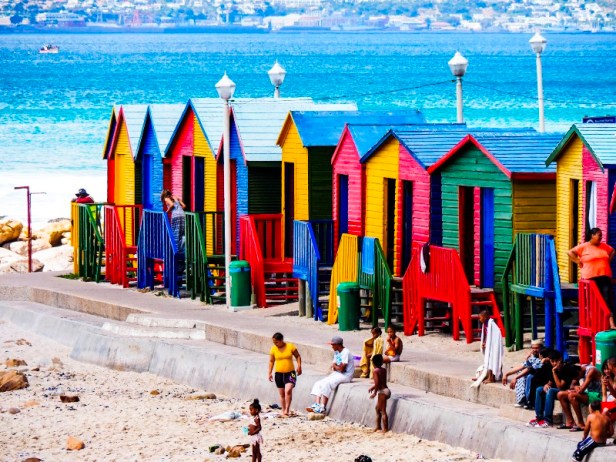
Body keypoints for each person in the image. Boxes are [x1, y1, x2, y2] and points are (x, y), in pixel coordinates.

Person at [568, 227, 616, 329]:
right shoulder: (584, 246)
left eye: (601, 235)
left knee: (608, 300)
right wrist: (578, 261)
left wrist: (607, 261)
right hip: (591, 279)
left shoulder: (604, 246)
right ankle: (592, 323)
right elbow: (570, 252)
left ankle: (611, 323)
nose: (601, 237)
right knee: (592, 301)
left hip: (604, 277)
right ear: (592, 236)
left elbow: (613, 251)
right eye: (599, 235)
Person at [528, 350, 580, 428]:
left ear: (561, 359)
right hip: (558, 391)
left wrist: (554, 372)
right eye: (552, 361)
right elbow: (550, 382)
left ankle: (548, 420)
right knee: (539, 389)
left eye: (556, 361)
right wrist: (546, 385)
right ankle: (539, 418)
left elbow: (560, 386)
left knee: (551, 391)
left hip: (565, 391)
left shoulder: (566, 369)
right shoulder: (553, 369)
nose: (554, 363)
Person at [306, 336, 354, 414]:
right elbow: (334, 366)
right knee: (319, 383)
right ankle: (317, 405)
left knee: (327, 384)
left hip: (346, 375)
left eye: (333, 345)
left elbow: (342, 369)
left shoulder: (346, 352)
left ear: (338, 345)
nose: (331, 346)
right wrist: (337, 367)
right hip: (337, 373)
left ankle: (322, 407)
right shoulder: (336, 352)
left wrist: (336, 367)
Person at [558, 363, 602, 431]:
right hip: (588, 393)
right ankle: (570, 422)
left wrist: (577, 388)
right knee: (560, 394)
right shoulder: (579, 369)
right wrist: (576, 387)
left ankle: (581, 424)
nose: (577, 379)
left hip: (597, 395)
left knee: (572, 395)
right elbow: (572, 386)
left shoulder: (591, 370)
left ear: (578, 372)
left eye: (577, 377)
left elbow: (581, 390)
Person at [268, 332, 302, 416]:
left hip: (290, 373)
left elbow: (297, 356)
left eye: (277, 342)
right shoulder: (273, 349)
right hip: (278, 374)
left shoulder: (290, 346)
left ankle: (287, 409)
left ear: (281, 340)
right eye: (274, 342)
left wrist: (299, 366)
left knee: (288, 390)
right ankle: (283, 410)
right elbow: (271, 361)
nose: (275, 344)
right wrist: (269, 372)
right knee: (282, 393)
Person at [502, 339, 543, 407]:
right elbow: (521, 366)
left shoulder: (542, 357)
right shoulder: (533, 357)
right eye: (533, 348)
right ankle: (522, 400)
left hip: (540, 376)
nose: (534, 350)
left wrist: (515, 378)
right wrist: (506, 374)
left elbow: (529, 369)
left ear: (541, 348)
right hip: (532, 373)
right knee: (520, 373)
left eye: (537, 348)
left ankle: (528, 400)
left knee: (526, 376)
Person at [472, 309, 503, 385]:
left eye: (480, 318)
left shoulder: (491, 324)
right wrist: (484, 342)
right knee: (488, 362)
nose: (479, 319)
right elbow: (486, 335)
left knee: (492, 361)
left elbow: (496, 334)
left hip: (493, 346)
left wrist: (489, 344)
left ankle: (491, 378)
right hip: (489, 345)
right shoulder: (485, 324)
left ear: (485, 317)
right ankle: (487, 376)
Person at [161, 189, 186, 277]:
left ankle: (176, 251)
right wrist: (178, 202)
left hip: (176, 217)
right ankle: (181, 249)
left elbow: (171, 205)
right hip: (183, 216)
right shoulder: (175, 197)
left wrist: (167, 212)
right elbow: (184, 206)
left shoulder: (166, 198)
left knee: (175, 235)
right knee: (182, 234)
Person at [368, 354, 390, 432]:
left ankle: (385, 429)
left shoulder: (375, 371)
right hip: (386, 390)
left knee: (383, 411)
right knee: (377, 409)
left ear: (373, 363)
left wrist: (374, 392)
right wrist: (373, 387)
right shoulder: (383, 370)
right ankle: (378, 426)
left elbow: (377, 383)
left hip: (382, 391)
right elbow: (380, 382)